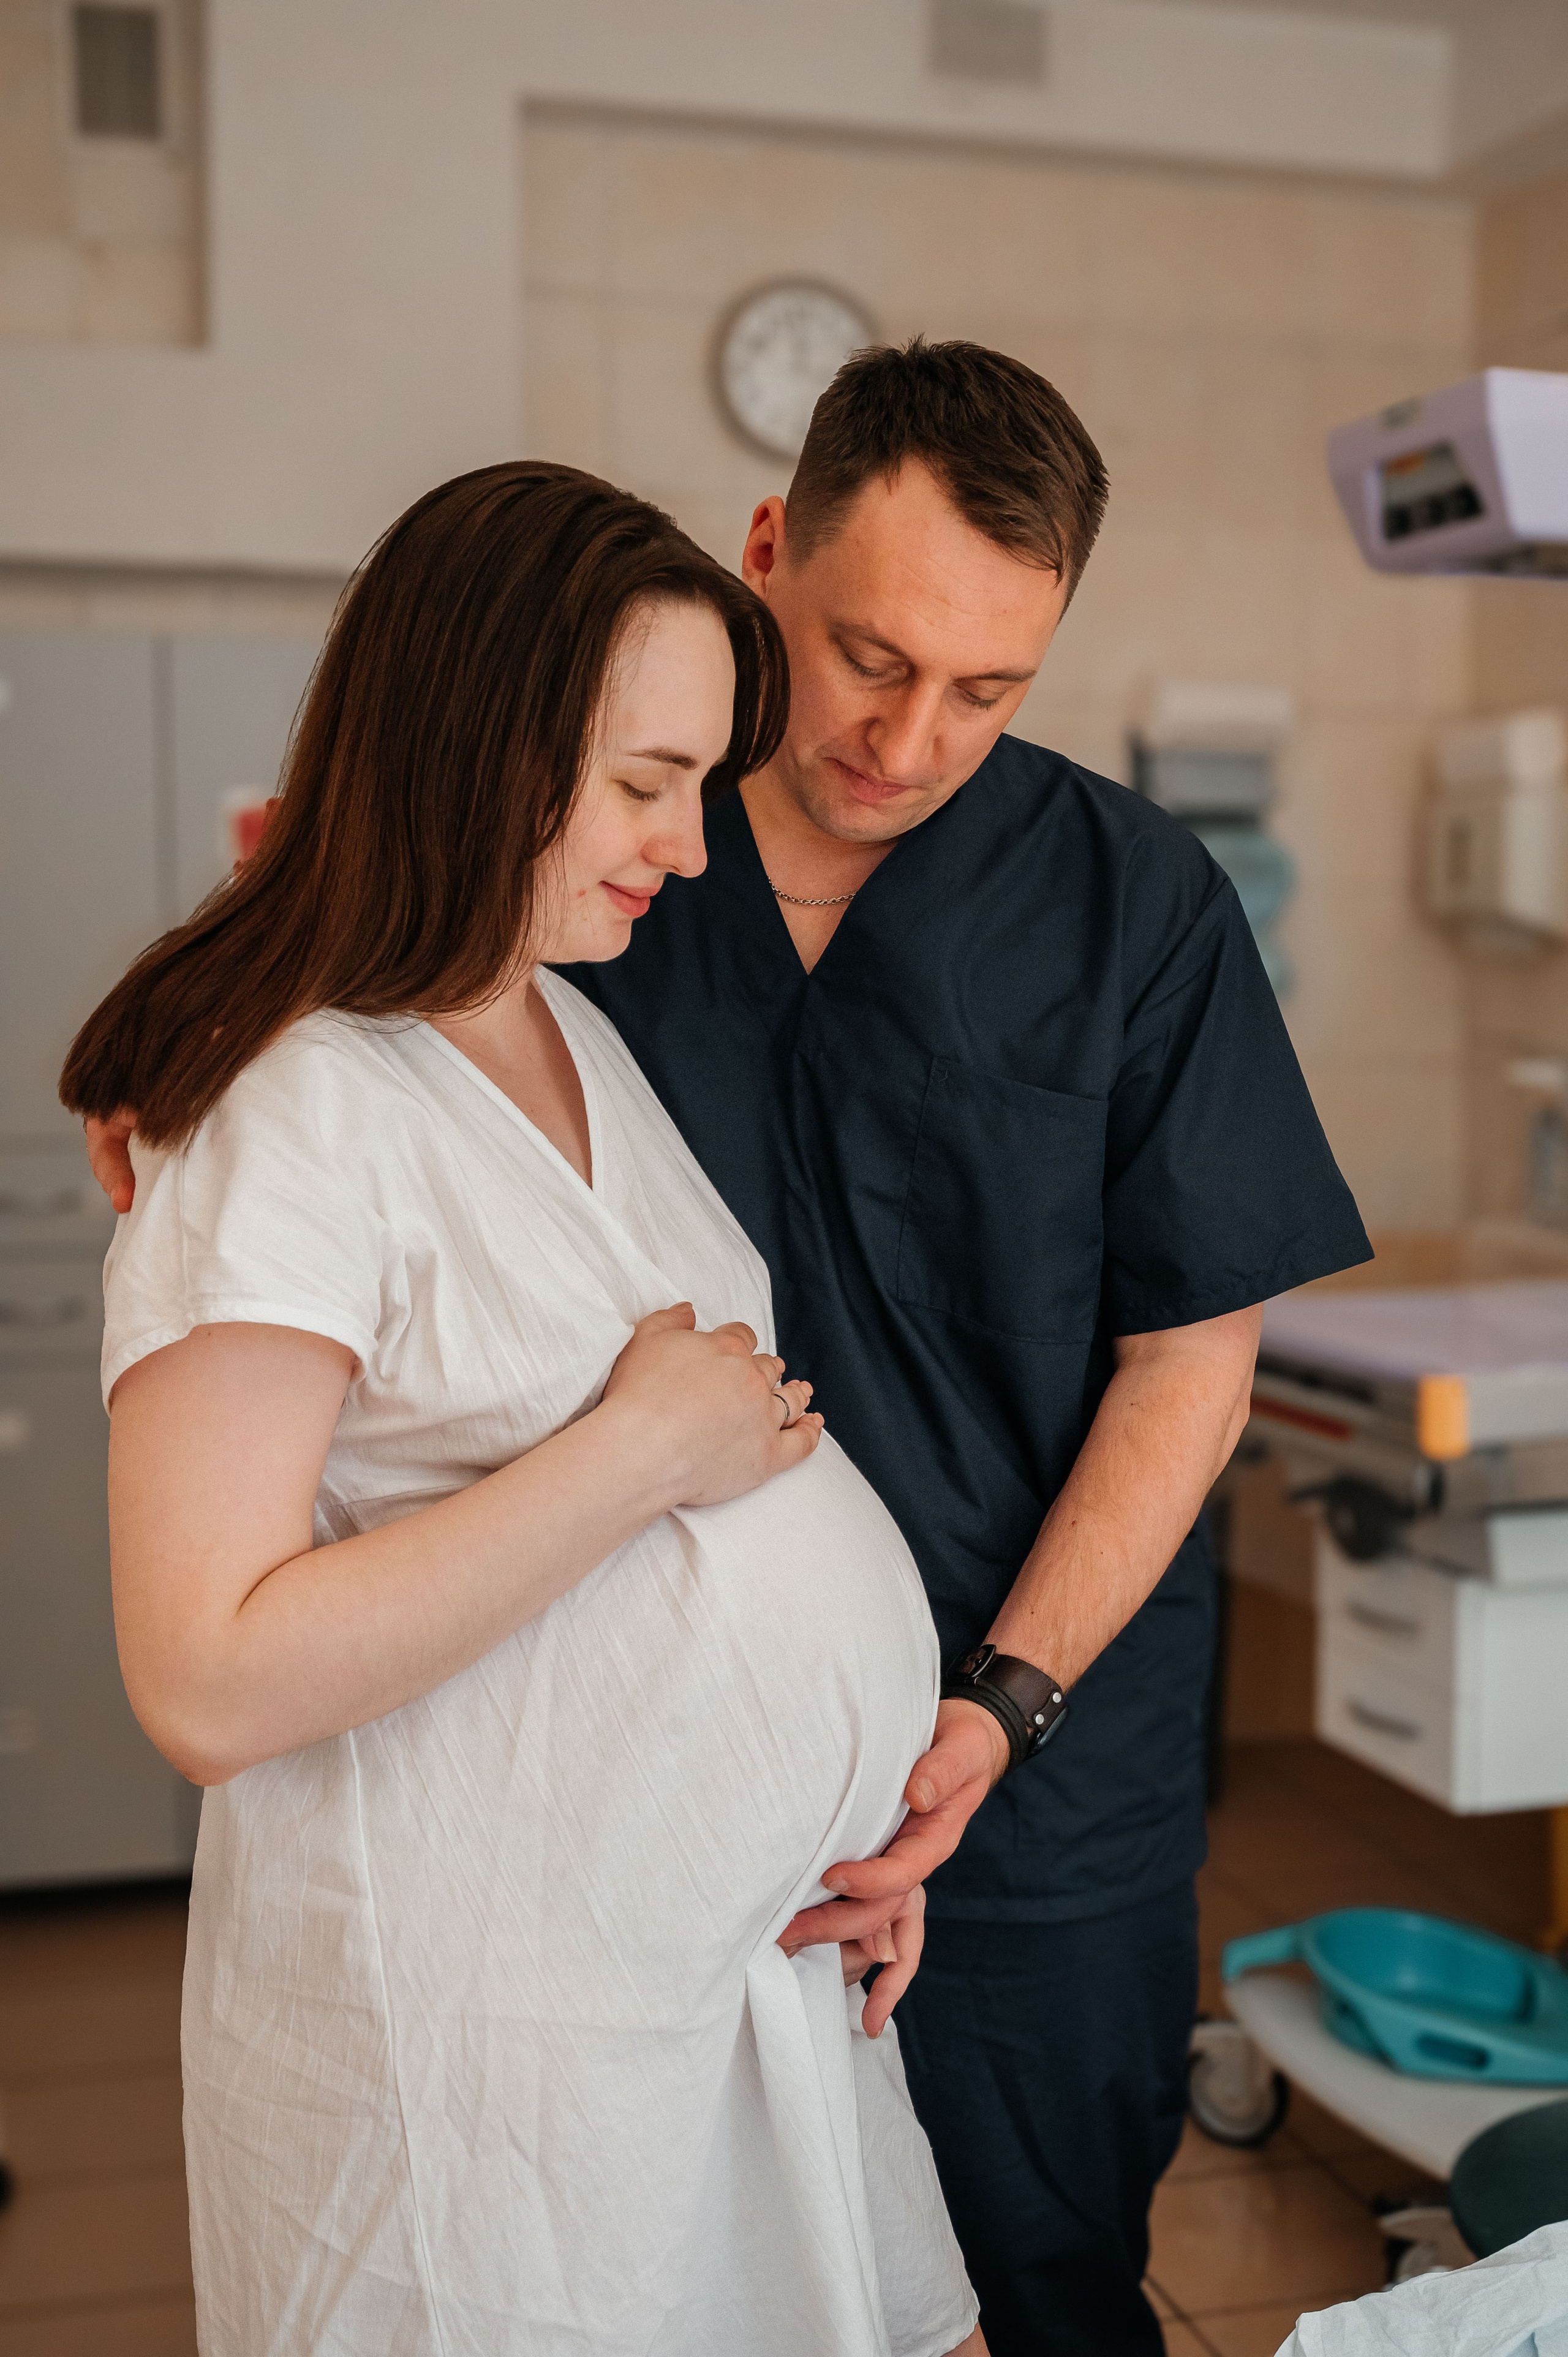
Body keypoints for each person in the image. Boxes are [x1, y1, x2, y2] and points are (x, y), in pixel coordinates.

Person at [86, 343, 1373, 2356]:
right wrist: (187, 1060)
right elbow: (316, 1025)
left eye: (990, 690)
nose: (911, 735)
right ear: (772, 551)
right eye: (870, 655)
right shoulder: (576, 892)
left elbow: (1191, 1360)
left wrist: (982, 1715)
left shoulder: (1125, 910)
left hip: (1017, 1795)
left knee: (1032, 2271)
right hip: (597, 1878)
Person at [62, 464, 985, 2357]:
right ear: (476, 745)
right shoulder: (294, 1102)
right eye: (645, 786)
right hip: (493, 2089)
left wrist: (817, 1825)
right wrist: (642, 1450)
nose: (692, 848)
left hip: (734, 1983)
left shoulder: (558, 1019)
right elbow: (208, 1679)